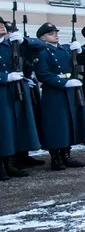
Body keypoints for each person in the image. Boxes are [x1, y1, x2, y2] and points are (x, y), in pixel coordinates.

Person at [31, 22, 85, 170]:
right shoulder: (42, 52)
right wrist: (63, 82)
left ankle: (66, 155)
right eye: (51, 34)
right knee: (56, 125)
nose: (56, 35)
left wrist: (82, 50)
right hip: (54, 91)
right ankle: (56, 158)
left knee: (69, 123)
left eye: (56, 32)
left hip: (70, 90)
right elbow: (43, 74)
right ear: (42, 37)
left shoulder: (65, 49)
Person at [1, 18, 40, 180]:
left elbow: (41, 46)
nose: (2, 26)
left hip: (16, 90)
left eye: (2, 24)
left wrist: (24, 39)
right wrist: (5, 77)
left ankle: (11, 164)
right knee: (3, 129)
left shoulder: (12, 45)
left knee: (14, 127)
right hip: (3, 90)